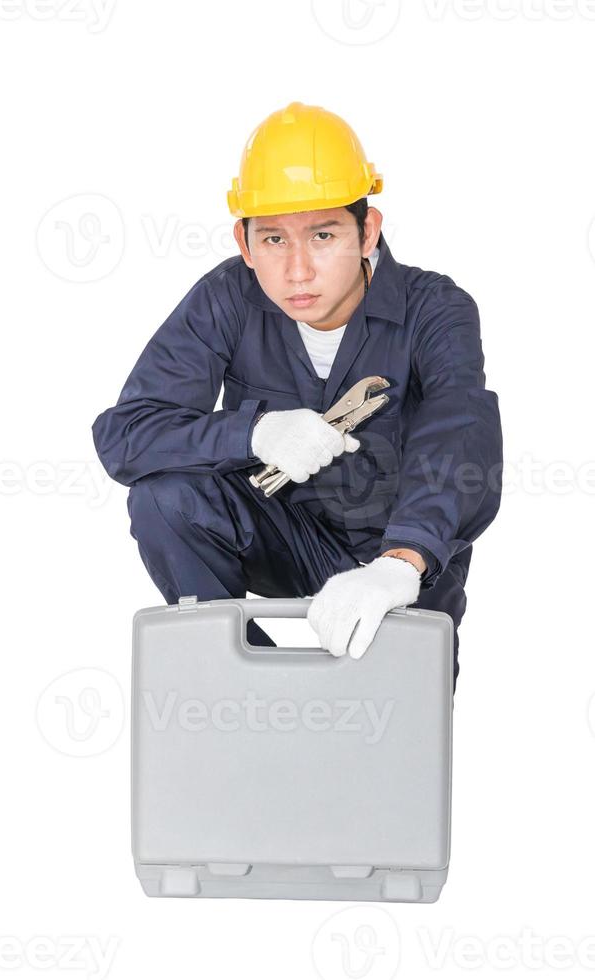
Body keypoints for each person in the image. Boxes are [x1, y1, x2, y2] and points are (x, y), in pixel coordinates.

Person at [92, 101, 503, 691]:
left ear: (368, 230)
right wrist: (253, 432)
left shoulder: (435, 307)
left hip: (402, 551)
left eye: (324, 234)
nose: (298, 270)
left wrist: (402, 562)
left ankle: (361, 706)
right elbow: (125, 434)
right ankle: (250, 690)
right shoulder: (226, 298)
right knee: (164, 498)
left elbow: (460, 432)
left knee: (395, 734)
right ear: (243, 240)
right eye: (274, 239)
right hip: (283, 532)